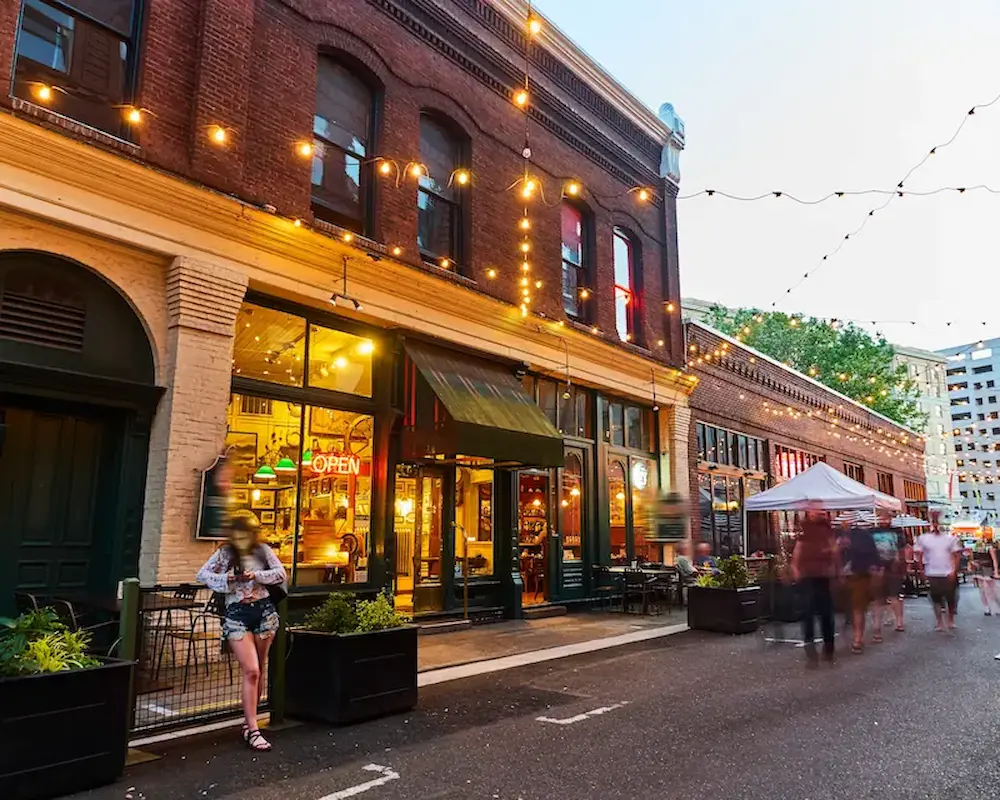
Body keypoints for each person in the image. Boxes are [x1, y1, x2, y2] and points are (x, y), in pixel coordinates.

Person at [197, 510, 287, 751]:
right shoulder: (225, 553)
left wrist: (255, 575)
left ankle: (250, 723)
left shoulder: (263, 551)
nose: (242, 539)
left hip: (264, 612)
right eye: (237, 534)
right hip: (237, 614)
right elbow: (202, 574)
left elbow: (281, 574)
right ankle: (254, 730)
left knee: (259, 670)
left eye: (245, 534)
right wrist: (228, 579)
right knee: (252, 670)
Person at [791, 506, 840, 666]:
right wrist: (796, 571)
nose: (818, 513)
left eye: (820, 510)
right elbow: (797, 555)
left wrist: (836, 568)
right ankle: (811, 654)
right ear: (809, 513)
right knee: (808, 616)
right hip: (807, 579)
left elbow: (834, 551)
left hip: (824, 578)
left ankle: (829, 649)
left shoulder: (828, 532)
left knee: (826, 615)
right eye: (814, 510)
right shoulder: (804, 534)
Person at [914, 518, 961, 633]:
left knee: (951, 598)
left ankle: (950, 620)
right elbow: (918, 555)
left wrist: (953, 571)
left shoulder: (950, 539)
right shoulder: (923, 539)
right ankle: (939, 622)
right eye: (933, 523)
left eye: (937, 523)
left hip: (947, 573)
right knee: (936, 599)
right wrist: (922, 571)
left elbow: (956, 555)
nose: (935, 526)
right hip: (932, 573)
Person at [845, 520, 879, 654]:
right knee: (854, 608)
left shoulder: (863, 536)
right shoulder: (834, 535)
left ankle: (857, 638)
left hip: (857, 575)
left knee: (857, 608)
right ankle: (856, 636)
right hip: (839, 576)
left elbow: (871, 554)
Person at [871, 517, 906, 636]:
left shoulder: (897, 532)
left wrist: (901, 563)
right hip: (878, 568)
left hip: (893, 568)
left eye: (886, 517)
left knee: (894, 596)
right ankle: (877, 625)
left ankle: (899, 622)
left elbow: (902, 550)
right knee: (878, 598)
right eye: (881, 517)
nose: (884, 520)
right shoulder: (872, 532)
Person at [972, 540, 1000, 615]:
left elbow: (994, 560)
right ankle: (987, 607)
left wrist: (996, 572)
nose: (980, 550)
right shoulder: (974, 550)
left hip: (988, 570)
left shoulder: (989, 549)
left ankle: (994, 606)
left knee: (991, 589)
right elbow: (972, 560)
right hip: (980, 571)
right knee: (983, 590)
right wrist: (974, 563)